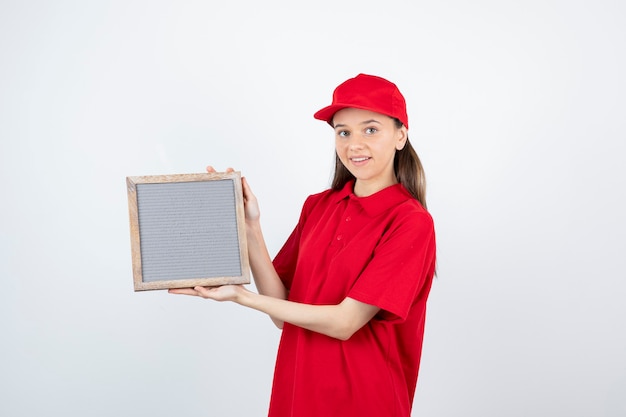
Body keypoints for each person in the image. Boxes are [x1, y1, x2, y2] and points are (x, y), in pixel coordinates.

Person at [170, 73, 437, 417]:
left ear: (400, 136)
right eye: (344, 132)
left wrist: (240, 296)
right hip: (297, 394)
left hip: (363, 401)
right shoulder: (318, 206)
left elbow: (345, 322)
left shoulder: (410, 221)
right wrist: (250, 226)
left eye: (371, 129)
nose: (354, 144)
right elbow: (282, 312)